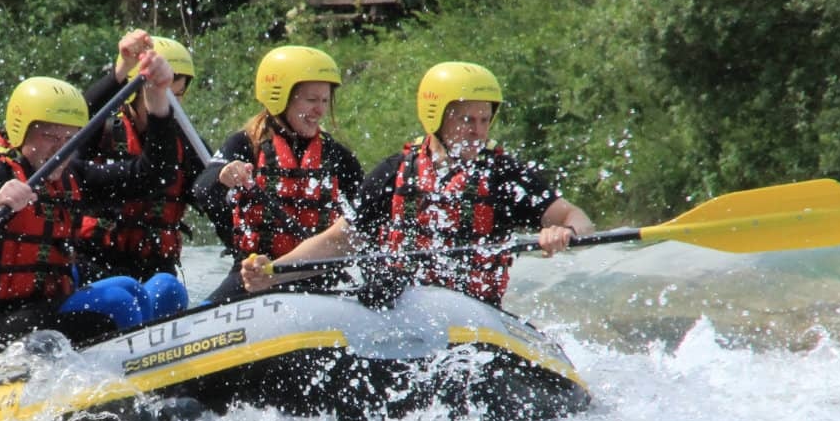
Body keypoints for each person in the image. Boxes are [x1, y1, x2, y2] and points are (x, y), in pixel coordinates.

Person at [237, 61, 593, 305]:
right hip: (406, 310)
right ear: (435, 116)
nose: (478, 131)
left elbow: (577, 217)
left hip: (475, 315)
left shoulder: (503, 176)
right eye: (467, 119)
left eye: (485, 120)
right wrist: (276, 273)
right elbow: (339, 240)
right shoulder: (394, 173)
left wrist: (565, 232)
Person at [0, 50, 178, 371]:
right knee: (117, 304)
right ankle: (131, 381)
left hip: (36, 312)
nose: (60, 147)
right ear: (21, 131)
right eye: (49, 135)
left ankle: (157, 377)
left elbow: (155, 176)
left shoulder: (70, 176)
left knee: (148, 288)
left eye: (69, 137)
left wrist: (158, 97)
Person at [192, 45, 364, 304]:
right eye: (311, 100)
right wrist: (224, 174)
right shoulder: (244, 144)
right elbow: (201, 189)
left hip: (320, 275)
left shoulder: (339, 157)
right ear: (280, 99)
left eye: (325, 101)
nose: (320, 110)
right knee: (205, 311)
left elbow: (365, 220)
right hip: (253, 273)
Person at [74, 31, 205, 314]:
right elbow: (78, 119)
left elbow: (215, 198)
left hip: (155, 268)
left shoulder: (190, 145)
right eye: (164, 92)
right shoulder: (101, 132)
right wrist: (120, 71)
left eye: (178, 94)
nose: (172, 104)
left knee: (167, 290)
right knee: (124, 297)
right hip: (97, 262)